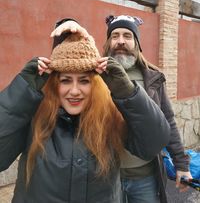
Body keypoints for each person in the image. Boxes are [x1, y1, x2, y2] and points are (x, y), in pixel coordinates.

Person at [0, 30, 170, 203]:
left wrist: (127, 92)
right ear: (54, 84)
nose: (74, 91)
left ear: (95, 84)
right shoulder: (35, 114)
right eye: (66, 80)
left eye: (84, 81)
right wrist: (21, 92)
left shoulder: (110, 115)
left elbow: (153, 143)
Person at [51, 15, 192, 203]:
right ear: (108, 42)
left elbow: (168, 121)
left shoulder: (154, 78)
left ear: (137, 42)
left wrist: (181, 163)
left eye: (127, 36)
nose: (120, 41)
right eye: (115, 36)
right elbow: (65, 67)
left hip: (146, 176)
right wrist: (68, 26)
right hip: (106, 176)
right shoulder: (94, 75)